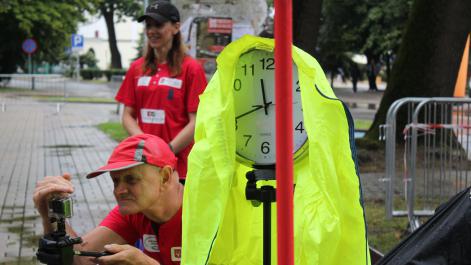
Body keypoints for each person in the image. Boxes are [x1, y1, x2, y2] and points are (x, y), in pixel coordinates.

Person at [33, 134, 184, 264]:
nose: (119, 191)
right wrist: (50, 214)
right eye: (115, 181)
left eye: (131, 180)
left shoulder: (203, 214)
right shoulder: (135, 211)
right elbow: (81, 259)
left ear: (164, 177)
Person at [115, 1, 207, 182]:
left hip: (179, 168)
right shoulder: (137, 68)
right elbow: (127, 115)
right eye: (148, 25)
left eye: (158, 24)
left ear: (175, 27)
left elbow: (196, 121)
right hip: (145, 164)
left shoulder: (191, 69)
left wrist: (167, 150)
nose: (152, 30)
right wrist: (144, 145)